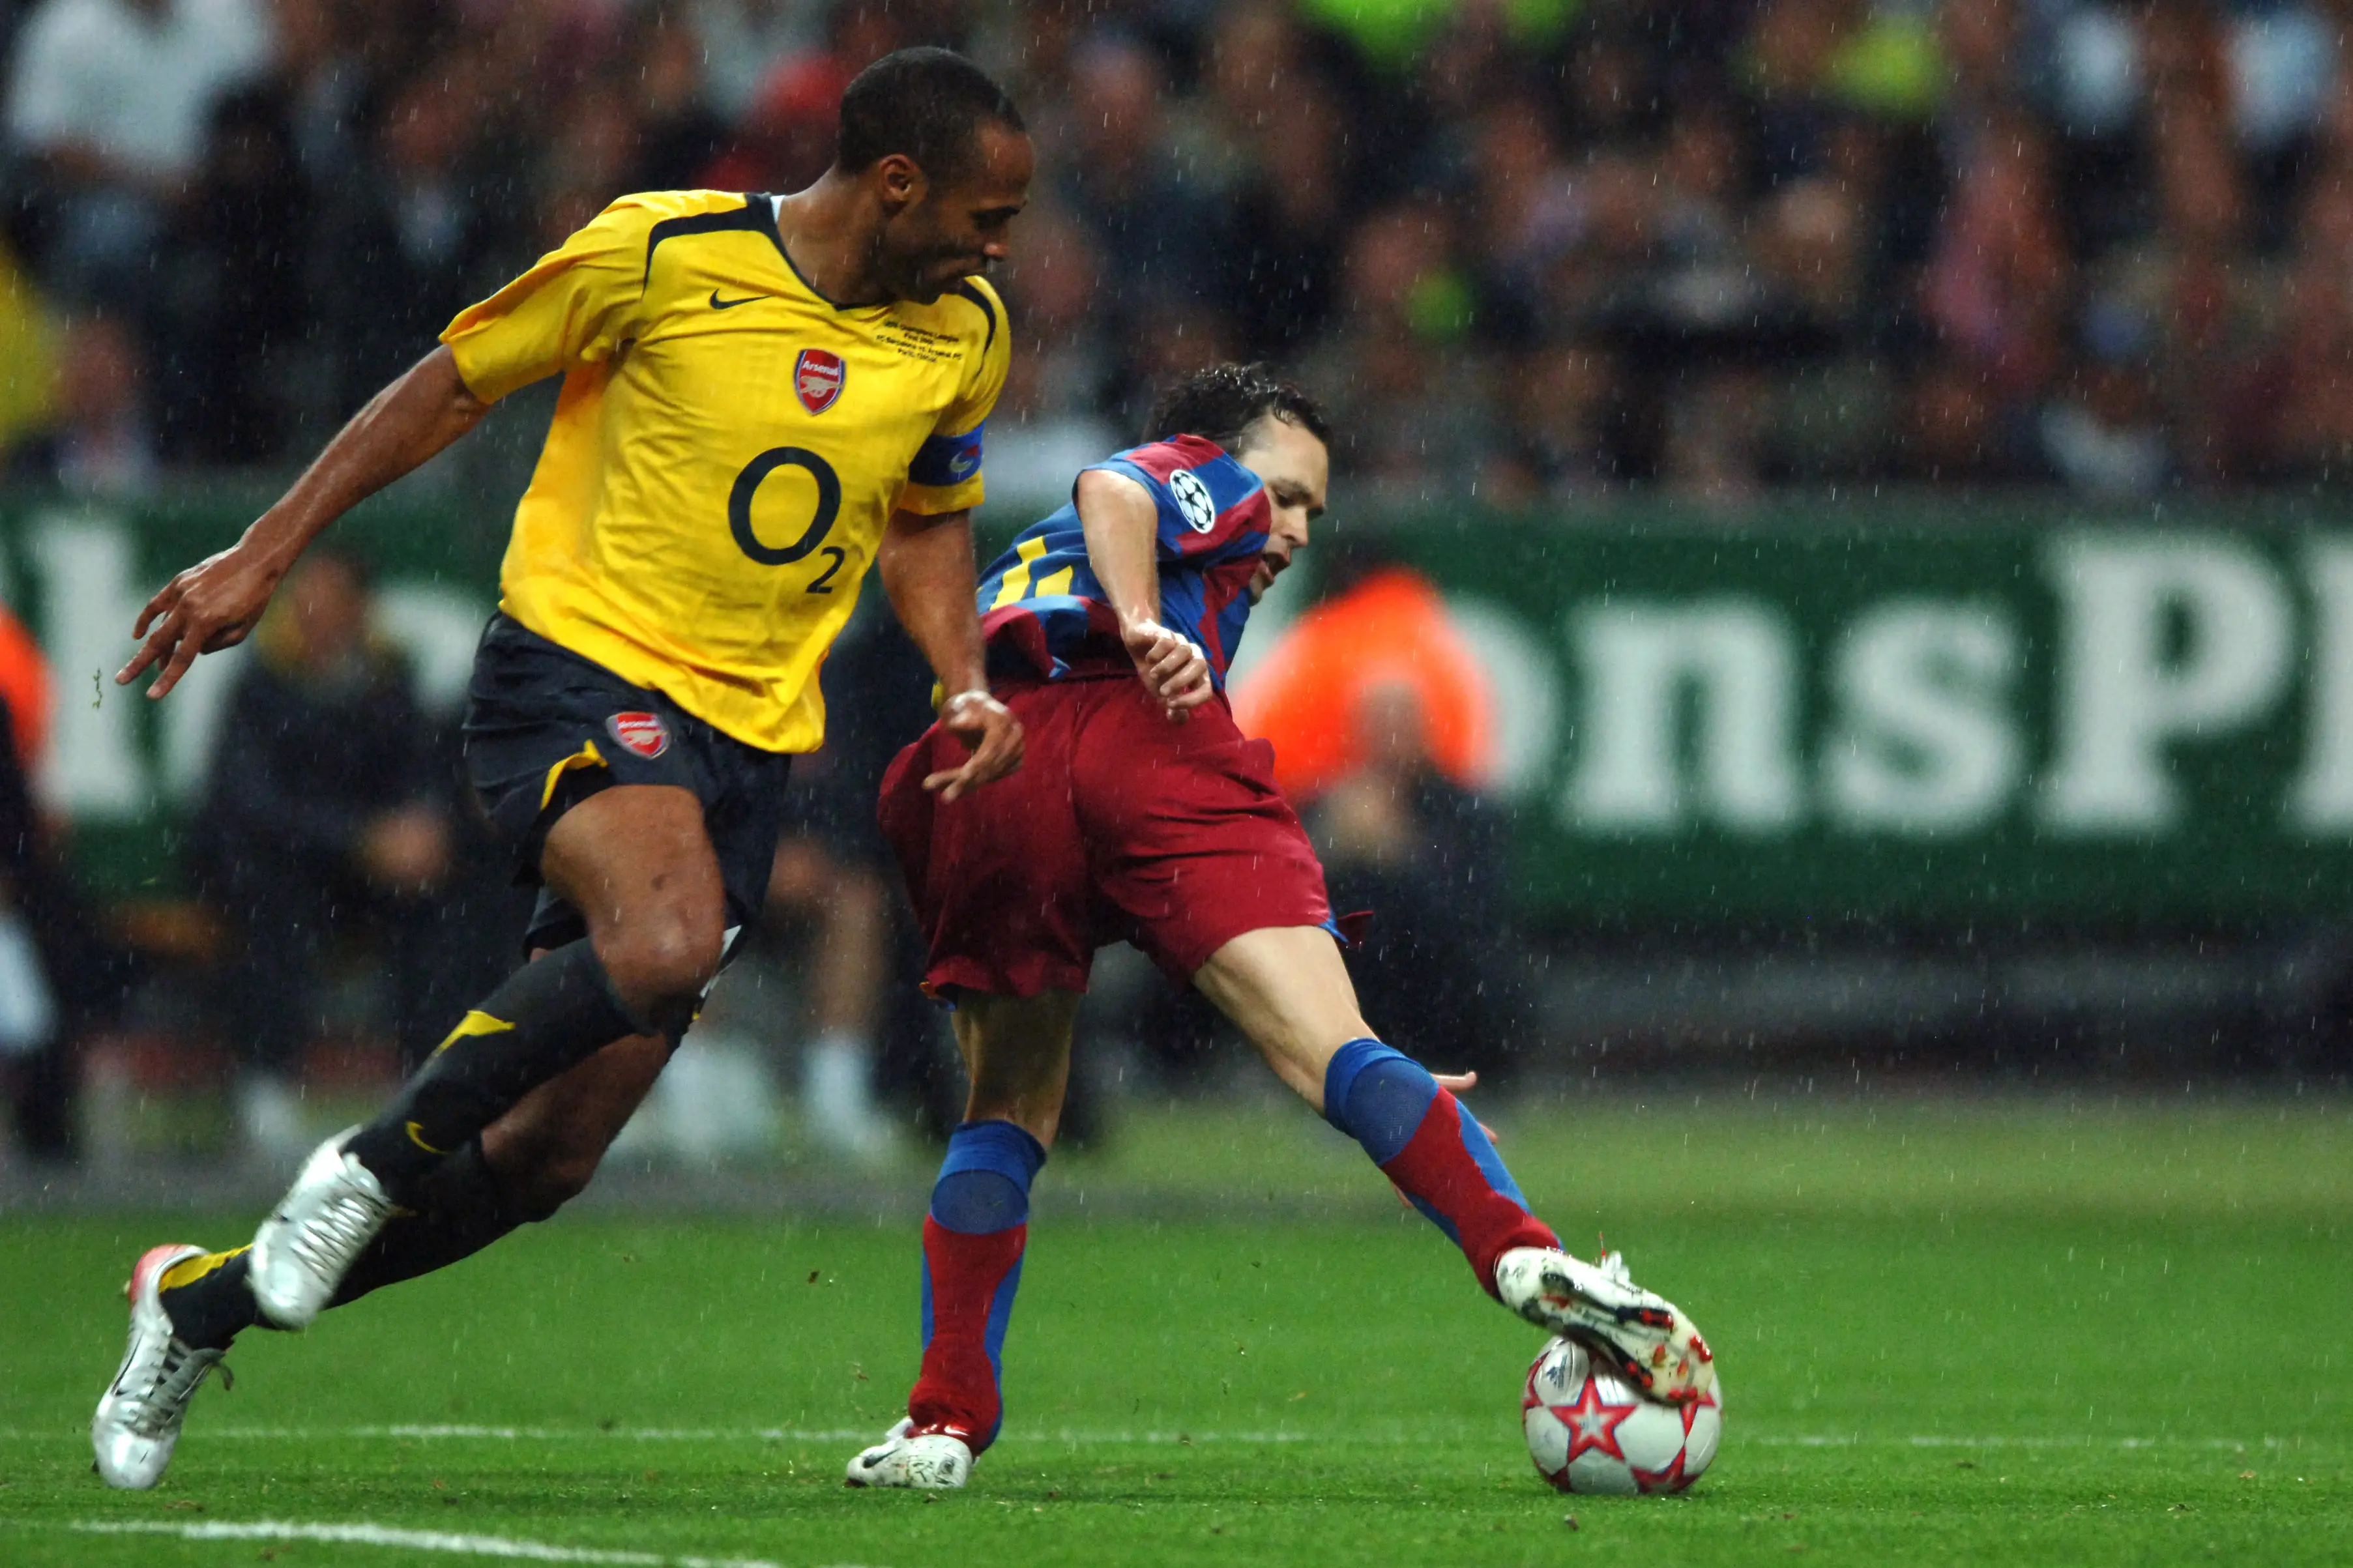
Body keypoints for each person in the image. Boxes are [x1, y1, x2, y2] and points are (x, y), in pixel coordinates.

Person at [91, 46, 1032, 1490]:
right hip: (577, 669)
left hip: (749, 742)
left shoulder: (963, 327)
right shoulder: (660, 250)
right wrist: (264, 553)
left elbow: (924, 520)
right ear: (896, 183)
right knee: (656, 943)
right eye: (985, 212)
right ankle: (359, 1169)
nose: (998, 245)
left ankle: (197, 1303)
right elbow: (450, 385)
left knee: (541, 1163)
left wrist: (960, 678)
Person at [845, 363, 1713, 1490]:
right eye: (1289, 493)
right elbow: (1114, 486)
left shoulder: (1074, 551)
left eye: (1311, 507)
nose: (1295, 526)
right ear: (1217, 454)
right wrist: (1148, 620)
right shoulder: (1199, 475)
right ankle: (1523, 1252)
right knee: (1335, 1052)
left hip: (992, 753)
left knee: (1007, 1108)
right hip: (1141, 732)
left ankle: (941, 1421)